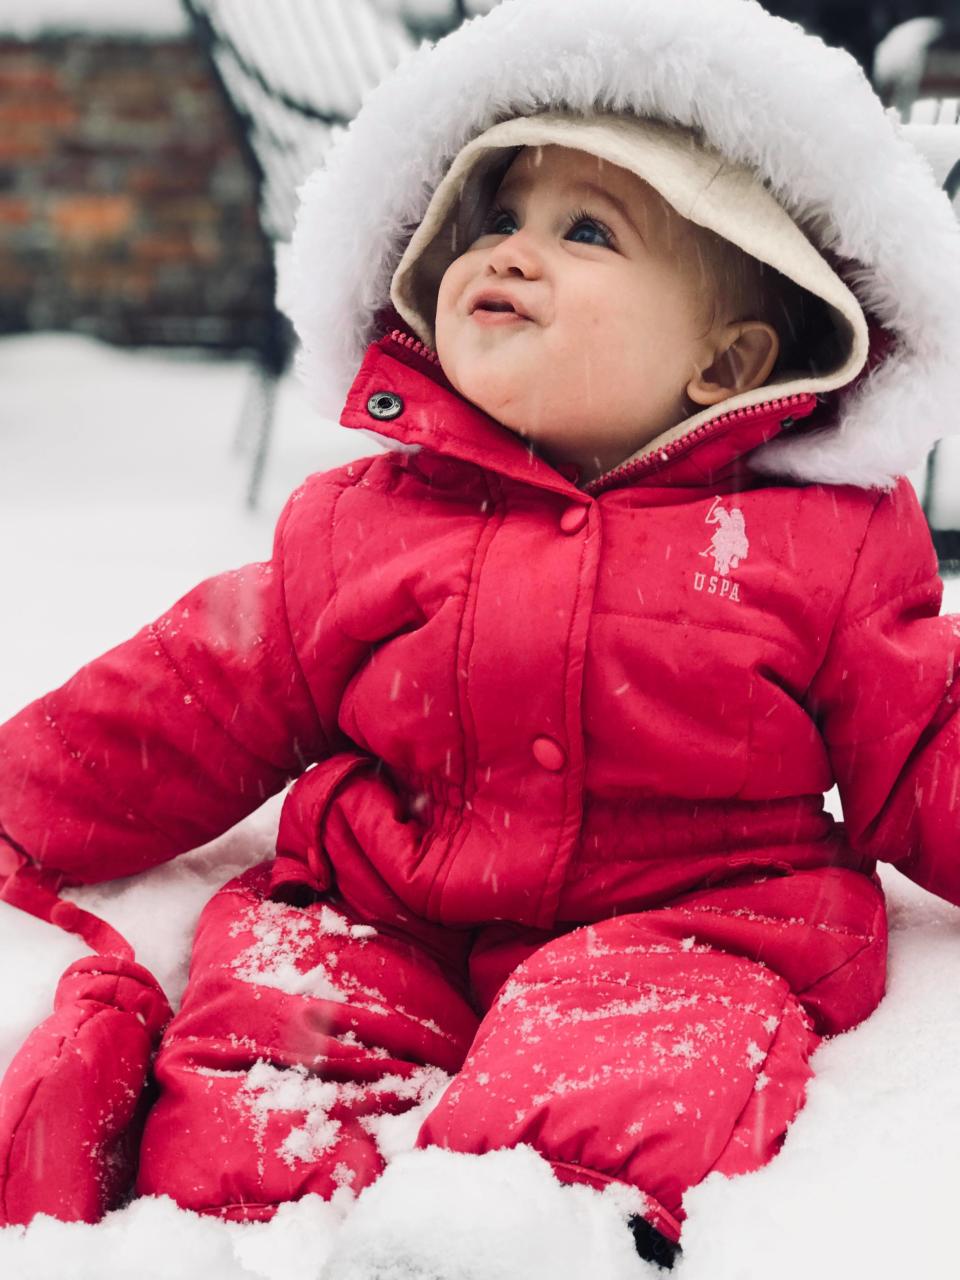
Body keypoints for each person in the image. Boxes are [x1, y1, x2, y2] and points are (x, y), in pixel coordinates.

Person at [2, 0, 960, 1273]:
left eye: (585, 230)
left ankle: (524, 1241)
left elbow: (926, 740)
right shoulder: (362, 527)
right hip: (379, 915)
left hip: (686, 926)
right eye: (496, 217)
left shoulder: (815, 547)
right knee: (269, 1055)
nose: (508, 252)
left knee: (633, 1072)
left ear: (727, 361)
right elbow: (185, 694)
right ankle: (238, 1239)